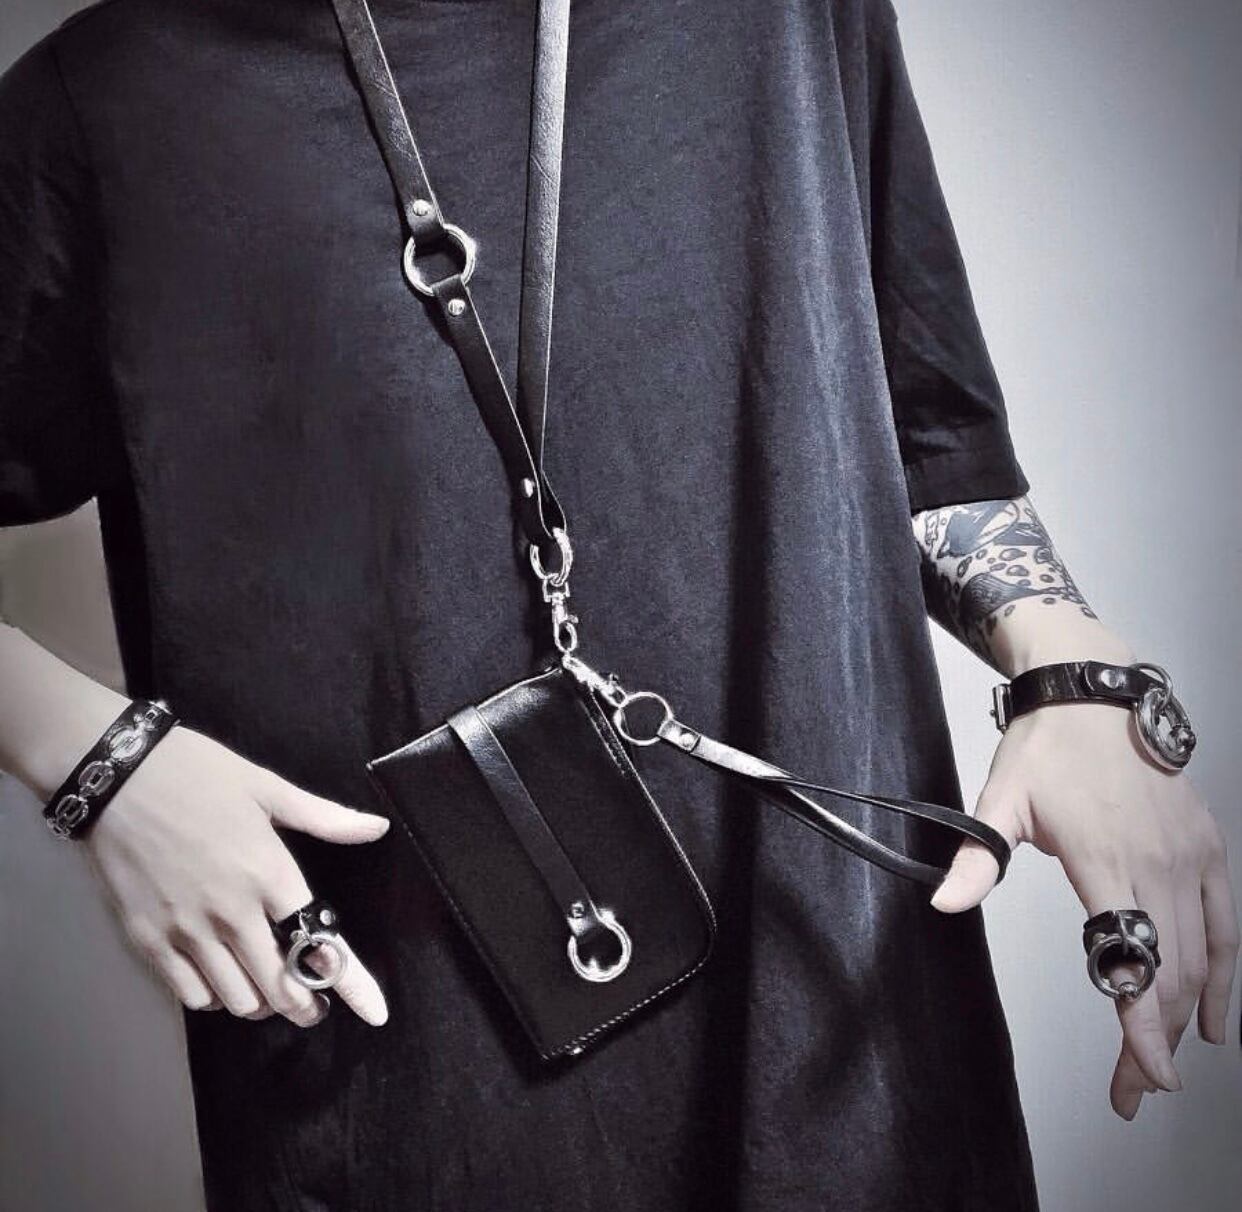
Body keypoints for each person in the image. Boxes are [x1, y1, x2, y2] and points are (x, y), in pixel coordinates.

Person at [0, 1, 1235, 1209]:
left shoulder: (787, 22)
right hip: (408, 1095)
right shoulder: (103, 103)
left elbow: (933, 439)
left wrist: (1074, 672)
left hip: (847, 1058)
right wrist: (92, 757)